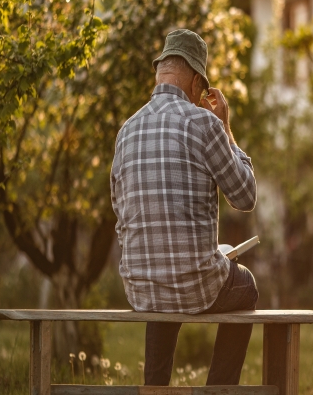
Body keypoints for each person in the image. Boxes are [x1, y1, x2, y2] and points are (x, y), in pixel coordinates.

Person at [110, 29, 258, 386]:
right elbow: (245, 196)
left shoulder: (126, 130)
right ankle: (218, 390)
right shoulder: (205, 124)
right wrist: (226, 127)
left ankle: (155, 387)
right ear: (196, 82)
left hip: (139, 288)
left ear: (161, 72)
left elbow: (119, 209)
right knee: (247, 285)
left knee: (164, 288)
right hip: (194, 286)